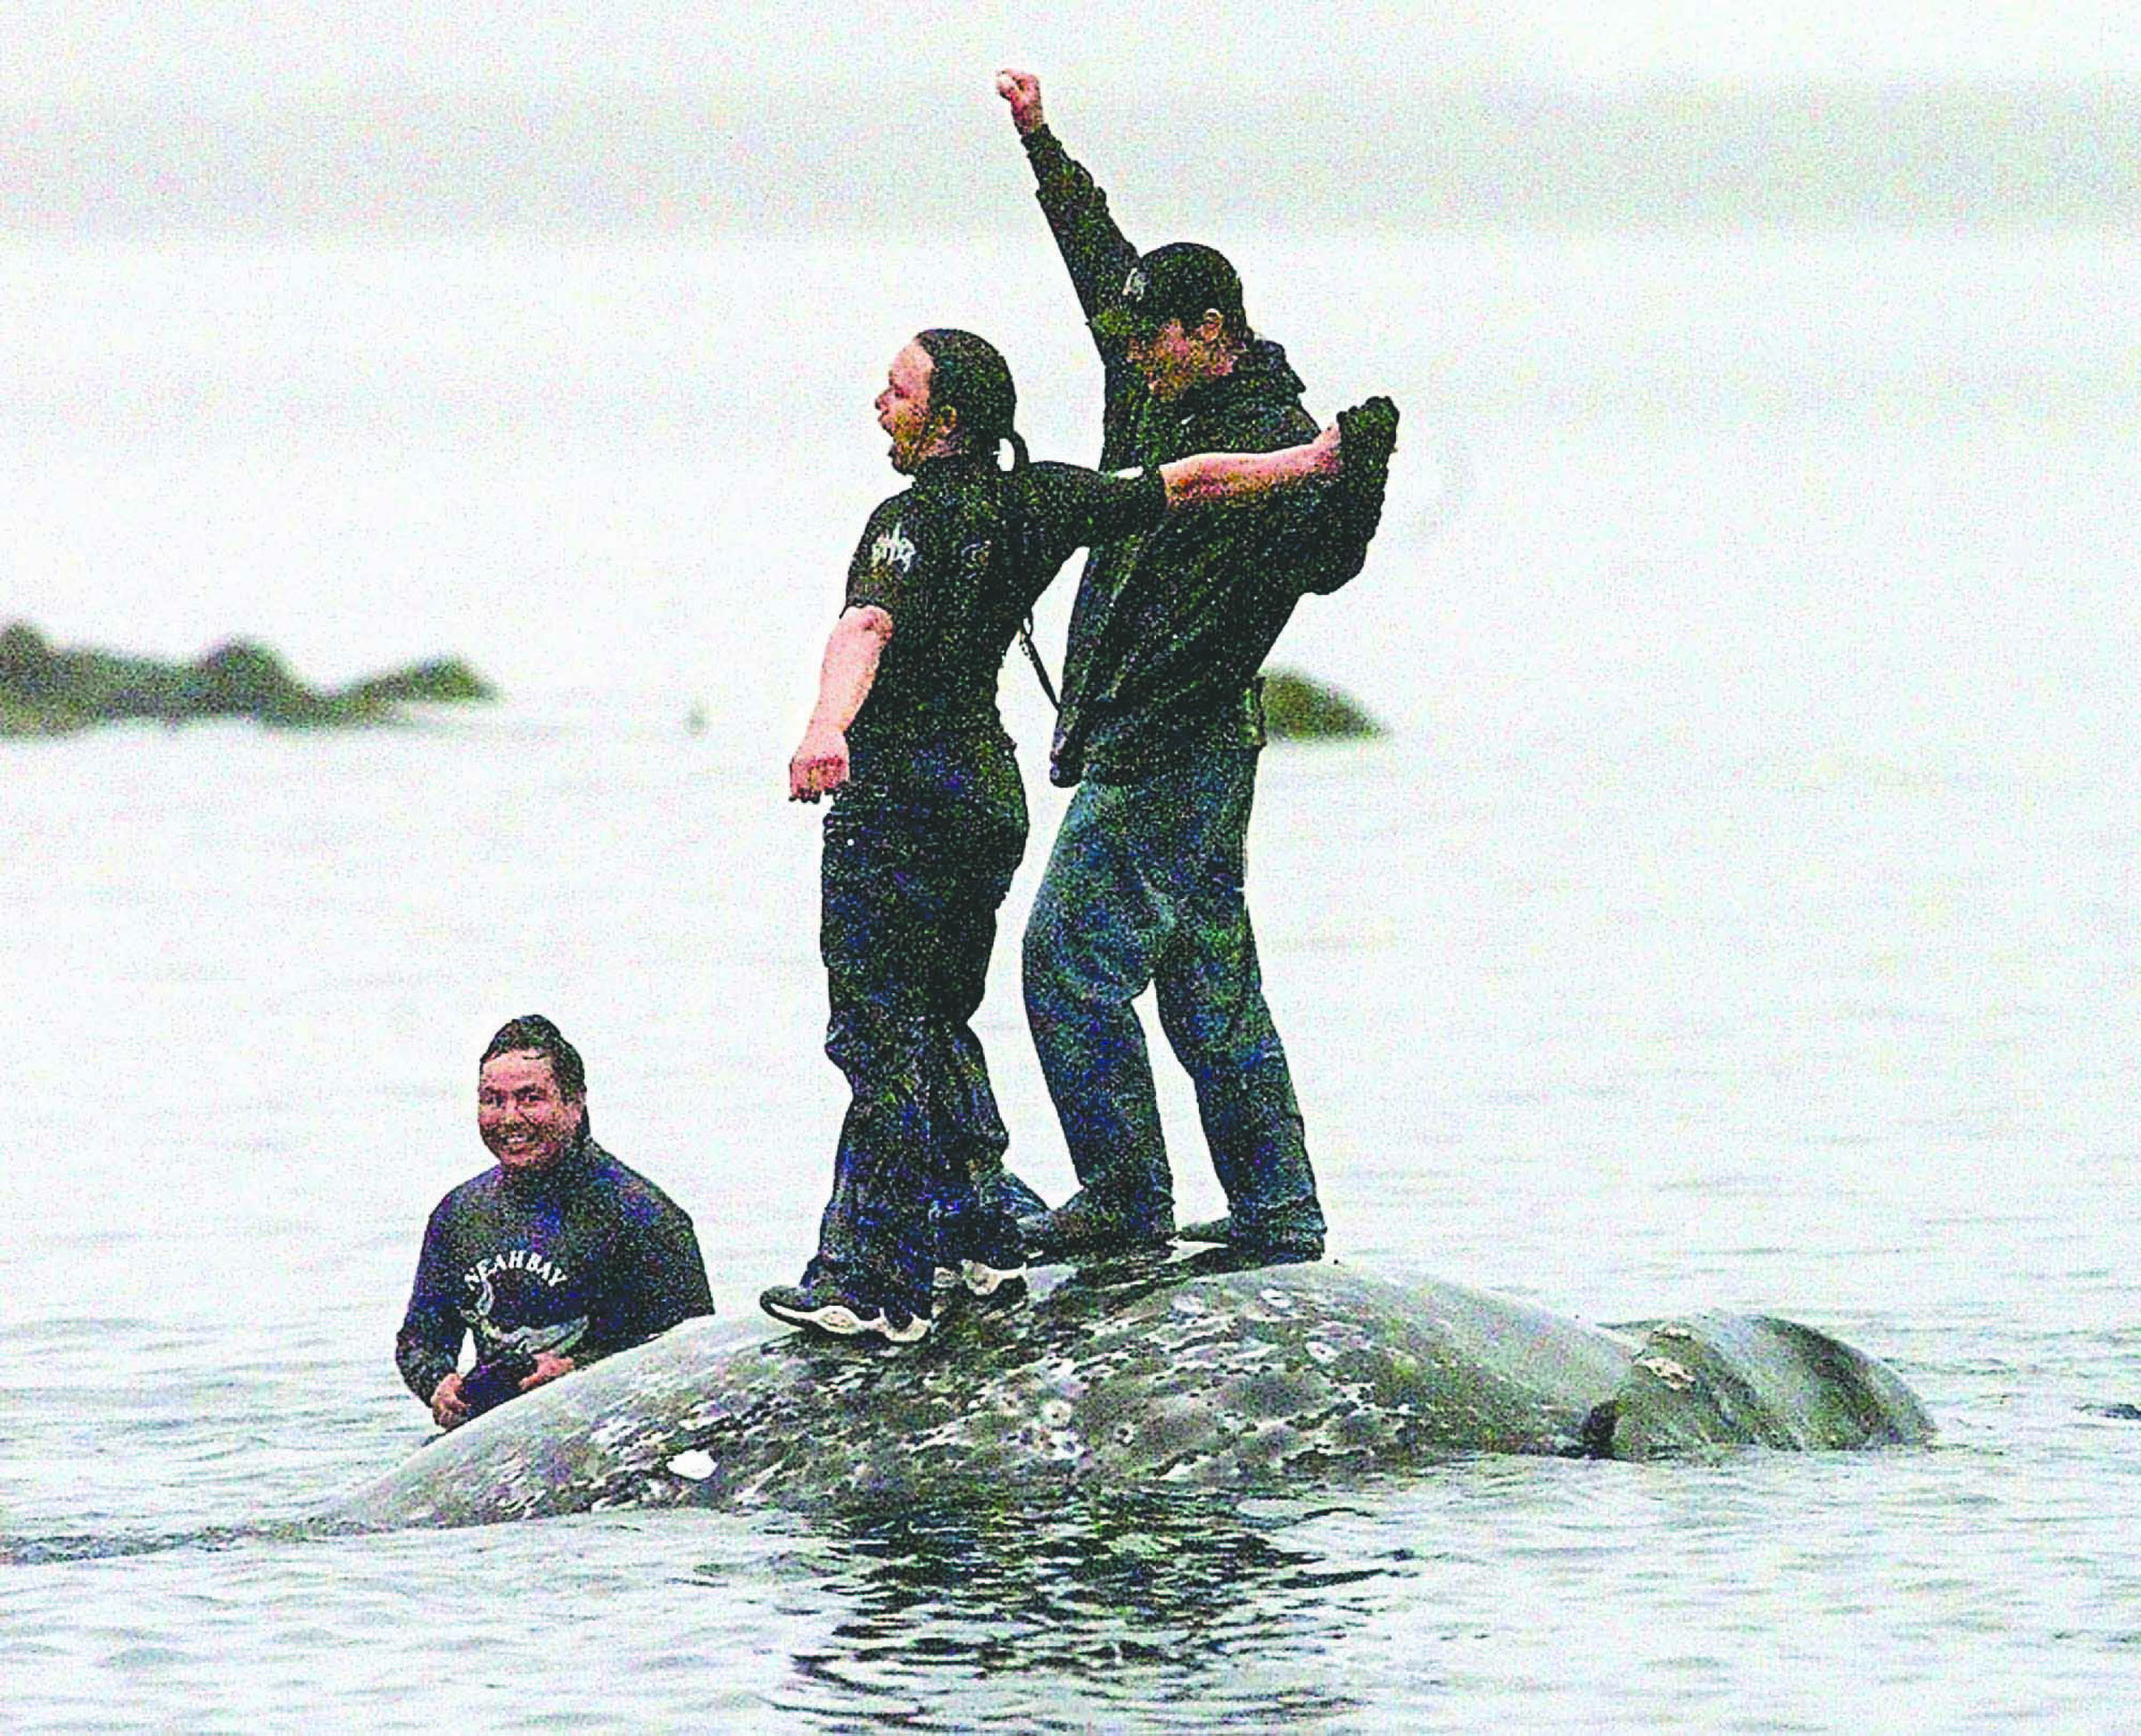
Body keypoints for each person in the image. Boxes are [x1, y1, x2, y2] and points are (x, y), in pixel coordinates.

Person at [758, 327, 1384, 1346]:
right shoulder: (1037, 498)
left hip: (903, 804)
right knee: (943, 1016)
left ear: (946, 418)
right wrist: (1311, 461)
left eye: (900, 390)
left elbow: (863, 627)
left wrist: (827, 724)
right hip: (986, 801)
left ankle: (874, 1280)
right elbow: (1186, 482)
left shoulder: (904, 523)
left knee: (878, 1035)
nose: (881, 402)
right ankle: (977, 1243)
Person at [996, 69, 1398, 1269]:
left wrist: (1360, 475)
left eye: (1156, 340)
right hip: (1167, 741)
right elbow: (1093, 252)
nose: (1137, 356)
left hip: (1177, 744)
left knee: (1066, 958)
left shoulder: (1279, 433)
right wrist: (1041, 142)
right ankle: (1281, 1213)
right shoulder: (1147, 373)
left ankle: (1123, 1191)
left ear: (1213, 332)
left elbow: (1327, 566)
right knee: (1206, 979)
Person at [396, 1014, 714, 1430]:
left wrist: (579, 1371)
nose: (509, 1118)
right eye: (492, 1100)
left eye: (530, 1098)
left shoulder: (644, 1217)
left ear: (575, 1103)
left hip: (614, 1434)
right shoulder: (458, 1215)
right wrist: (438, 1383)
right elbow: (420, 1340)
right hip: (498, 1438)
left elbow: (695, 1358)